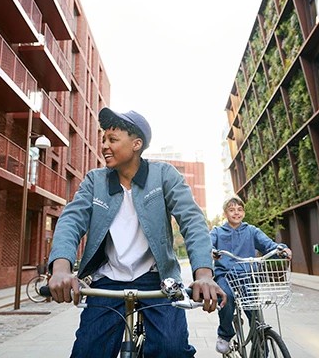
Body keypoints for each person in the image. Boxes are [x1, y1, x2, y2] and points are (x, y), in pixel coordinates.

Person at [46, 107, 227, 357]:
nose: (104, 146)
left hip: (157, 278)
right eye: (103, 140)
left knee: (171, 349)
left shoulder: (164, 175)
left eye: (112, 139)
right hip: (107, 280)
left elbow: (192, 220)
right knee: (88, 350)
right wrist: (61, 268)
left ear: (136, 144)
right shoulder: (94, 181)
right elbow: (71, 220)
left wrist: (204, 274)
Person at [210, 196, 293, 354]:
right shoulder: (217, 231)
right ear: (225, 213)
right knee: (226, 297)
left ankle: (261, 343)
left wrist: (281, 250)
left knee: (254, 310)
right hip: (226, 275)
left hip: (248, 275)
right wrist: (211, 251)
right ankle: (225, 334)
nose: (236, 213)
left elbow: (268, 245)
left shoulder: (251, 230)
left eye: (239, 209)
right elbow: (208, 244)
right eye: (232, 210)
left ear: (244, 212)